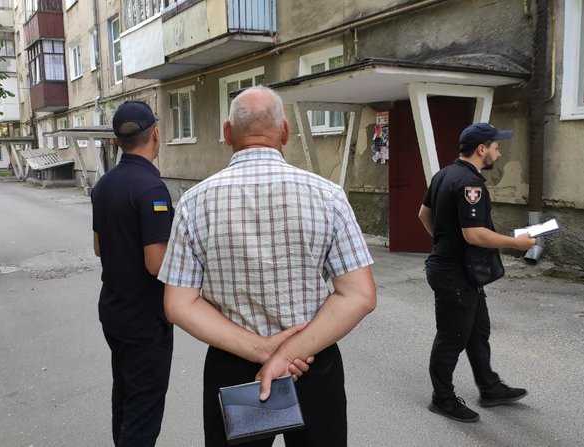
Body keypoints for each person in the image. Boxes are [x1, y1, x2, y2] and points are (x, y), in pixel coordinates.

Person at [158, 86, 377, 446]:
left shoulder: (194, 203)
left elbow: (178, 304)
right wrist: (287, 354)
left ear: (227, 133)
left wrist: (263, 352)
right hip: (311, 361)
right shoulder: (329, 196)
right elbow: (359, 296)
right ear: (286, 132)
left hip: (233, 366)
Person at [417, 122, 537, 423]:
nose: (499, 152)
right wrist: (516, 243)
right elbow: (474, 234)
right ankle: (442, 398)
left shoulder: (444, 174)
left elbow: (423, 214)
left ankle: (489, 387)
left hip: (460, 270)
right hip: (454, 273)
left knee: (477, 331)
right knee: (452, 337)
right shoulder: (471, 185)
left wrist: (443, 241)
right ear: (482, 149)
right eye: (496, 147)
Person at [90, 100, 174, 446]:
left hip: (114, 311)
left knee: (124, 394)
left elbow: (98, 247)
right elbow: (156, 263)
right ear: (155, 135)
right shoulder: (151, 188)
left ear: (117, 141)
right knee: (143, 409)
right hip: (144, 320)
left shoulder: (103, 185)